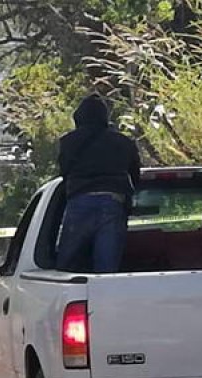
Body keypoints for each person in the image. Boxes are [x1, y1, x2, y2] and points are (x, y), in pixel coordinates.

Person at [56, 93, 142, 273]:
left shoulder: (68, 142)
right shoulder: (124, 142)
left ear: (78, 117)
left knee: (67, 266)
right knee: (107, 268)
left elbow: (64, 172)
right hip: (113, 202)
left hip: (79, 202)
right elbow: (135, 176)